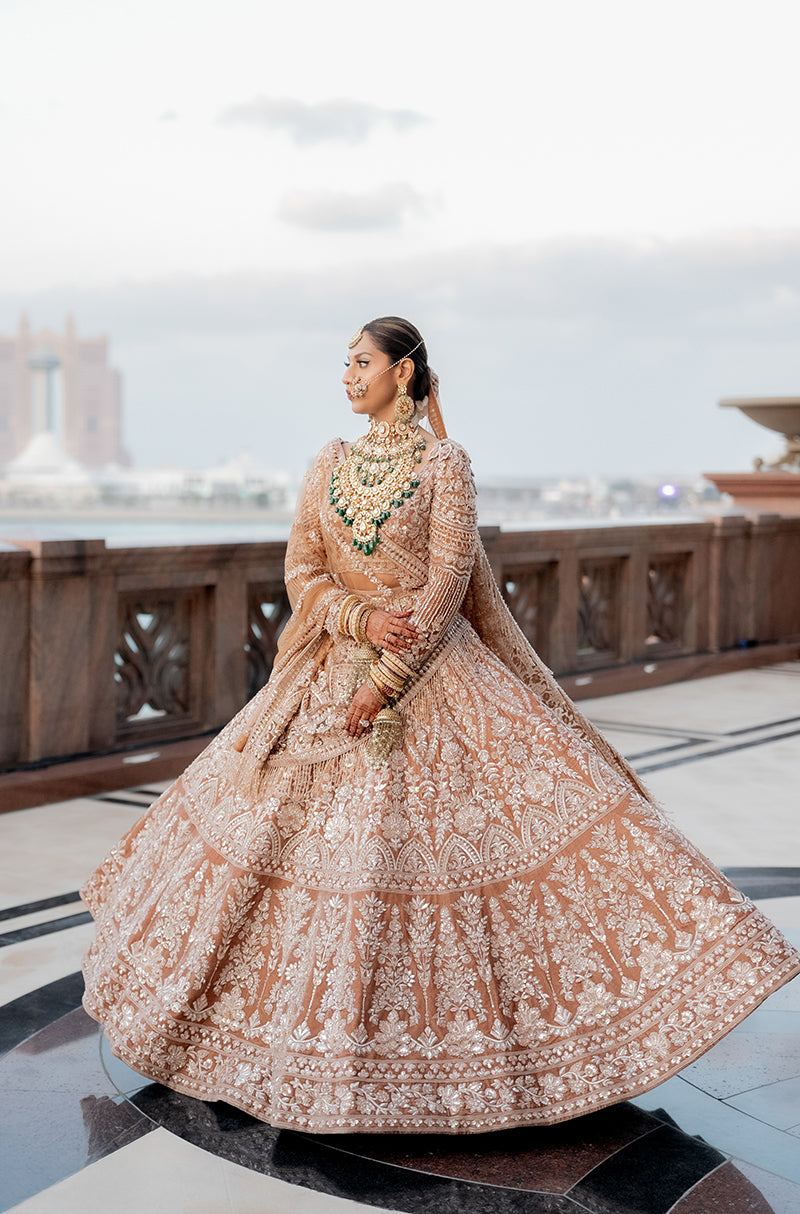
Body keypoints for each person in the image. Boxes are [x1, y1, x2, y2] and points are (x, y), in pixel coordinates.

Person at [82, 317, 800, 1135]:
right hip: (328, 673)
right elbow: (301, 568)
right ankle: (275, 1046)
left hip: (436, 681)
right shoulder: (330, 463)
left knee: (475, 851)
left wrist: (387, 679)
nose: (347, 376)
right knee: (272, 850)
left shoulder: (445, 465)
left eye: (361, 363)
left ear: (405, 372)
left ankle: (471, 1066)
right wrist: (356, 620)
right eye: (344, 364)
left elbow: (449, 581)